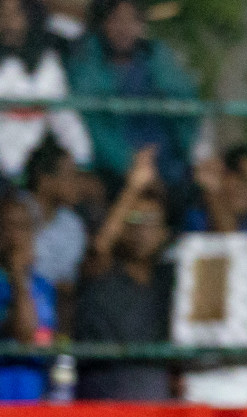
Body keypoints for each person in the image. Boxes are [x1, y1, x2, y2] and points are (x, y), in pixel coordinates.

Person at [73, 144, 173, 399]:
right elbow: (99, 249)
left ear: (164, 233)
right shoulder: (102, 272)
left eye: (150, 223)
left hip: (153, 397)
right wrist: (133, 187)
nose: (141, 231)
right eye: (134, 221)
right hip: (102, 392)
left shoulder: (168, 279)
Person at [67, 0, 198, 186]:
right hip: (111, 171)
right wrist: (129, 164)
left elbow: (185, 110)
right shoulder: (87, 63)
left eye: (132, 21)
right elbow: (94, 126)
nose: (124, 28)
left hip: (166, 167)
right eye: (116, 20)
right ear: (102, 23)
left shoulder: (157, 57)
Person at [0, 0, 91, 179]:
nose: (8, 22)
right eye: (2, 14)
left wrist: (81, 157)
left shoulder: (47, 60)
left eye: (16, 14)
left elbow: (63, 114)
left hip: (40, 160)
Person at [22, 138, 88, 325]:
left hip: (51, 309)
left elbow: (67, 285)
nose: (77, 183)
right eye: (70, 175)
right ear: (45, 179)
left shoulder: (73, 225)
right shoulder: (14, 213)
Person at [0, 192, 57, 400]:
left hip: (33, 403)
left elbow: (49, 343)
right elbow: (23, 331)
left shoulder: (44, 286)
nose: (15, 235)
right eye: (7, 226)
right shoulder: (14, 281)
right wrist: (16, 274)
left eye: (23, 227)